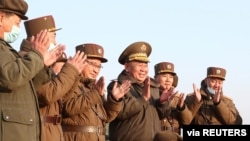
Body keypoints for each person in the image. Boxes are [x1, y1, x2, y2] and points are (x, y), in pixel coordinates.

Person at [0, 0, 63, 141]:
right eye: (17, 23)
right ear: (1, 18)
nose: (18, 28)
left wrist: (42, 64)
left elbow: (28, 86)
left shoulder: (7, 50)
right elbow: (10, 77)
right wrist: (36, 55)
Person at [19, 15, 86, 141]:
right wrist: (70, 70)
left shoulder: (40, 62)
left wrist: (75, 74)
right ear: (40, 36)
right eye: (53, 36)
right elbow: (47, 95)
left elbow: (61, 98)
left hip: (51, 132)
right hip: (40, 131)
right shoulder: (26, 59)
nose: (55, 42)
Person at [62, 43, 131, 141]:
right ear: (80, 61)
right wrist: (95, 94)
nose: (96, 70)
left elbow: (106, 117)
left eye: (99, 66)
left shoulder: (93, 88)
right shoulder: (69, 82)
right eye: (92, 64)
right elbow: (68, 108)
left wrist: (114, 100)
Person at [108, 41, 172, 141]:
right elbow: (118, 113)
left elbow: (161, 116)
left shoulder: (153, 87)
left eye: (145, 65)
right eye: (139, 65)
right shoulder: (117, 86)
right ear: (127, 67)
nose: (143, 69)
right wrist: (142, 99)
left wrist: (162, 103)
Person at [177, 66, 242, 125]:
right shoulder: (191, 97)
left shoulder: (227, 101)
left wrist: (218, 103)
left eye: (220, 83)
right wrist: (197, 102)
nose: (216, 85)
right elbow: (185, 121)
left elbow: (234, 122)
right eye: (213, 81)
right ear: (206, 81)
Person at [153, 62, 186, 141]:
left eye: (171, 77)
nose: (168, 80)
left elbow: (187, 121)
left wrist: (181, 107)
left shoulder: (178, 98)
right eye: (164, 76)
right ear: (155, 78)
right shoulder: (150, 96)